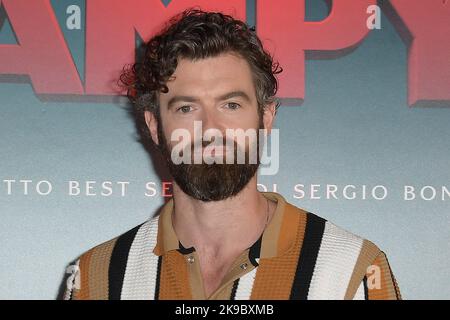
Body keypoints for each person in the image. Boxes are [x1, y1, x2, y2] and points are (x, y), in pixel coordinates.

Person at [63, 9, 401, 300]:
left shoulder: (352, 271)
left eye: (231, 104)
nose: (211, 127)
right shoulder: (97, 277)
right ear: (154, 126)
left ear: (266, 116)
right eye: (185, 107)